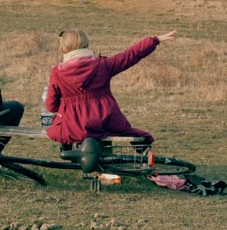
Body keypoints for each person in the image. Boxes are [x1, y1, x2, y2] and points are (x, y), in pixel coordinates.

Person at [44, 28, 176, 146]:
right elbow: (131, 55)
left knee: (59, 128)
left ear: (65, 47)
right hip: (105, 121)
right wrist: (155, 40)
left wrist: (67, 105)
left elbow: (51, 106)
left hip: (74, 126)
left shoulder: (58, 72)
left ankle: (71, 155)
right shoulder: (103, 65)